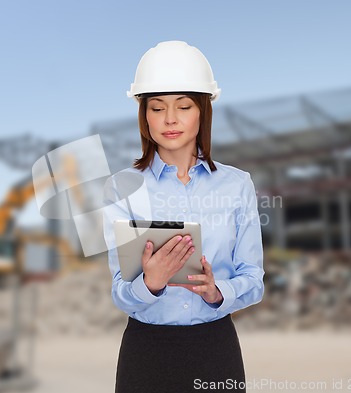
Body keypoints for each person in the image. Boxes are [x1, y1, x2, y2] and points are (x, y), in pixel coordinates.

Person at [102, 41, 264, 393]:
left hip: (215, 348)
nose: (170, 119)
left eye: (184, 106)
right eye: (157, 108)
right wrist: (151, 283)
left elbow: (254, 278)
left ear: (203, 111)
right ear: (144, 115)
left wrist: (217, 291)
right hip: (146, 352)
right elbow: (119, 291)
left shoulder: (237, 185)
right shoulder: (120, 188)